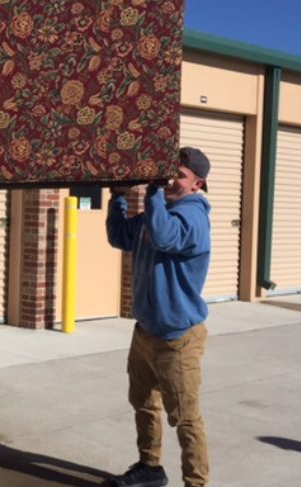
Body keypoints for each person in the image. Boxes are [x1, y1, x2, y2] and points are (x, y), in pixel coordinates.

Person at [103, 147, 213, 487]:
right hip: (146, 332)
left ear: (198, 183)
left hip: (177, 339)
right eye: (168, 173)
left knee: (185, 418)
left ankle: (196, 483)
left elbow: (165, 236)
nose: (171, 180)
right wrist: (118, 197)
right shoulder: (159, 211)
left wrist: (151, 190)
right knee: (143, 403)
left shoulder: (193, 216)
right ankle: (150, 468)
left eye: (179, 175)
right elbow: (120, 236)